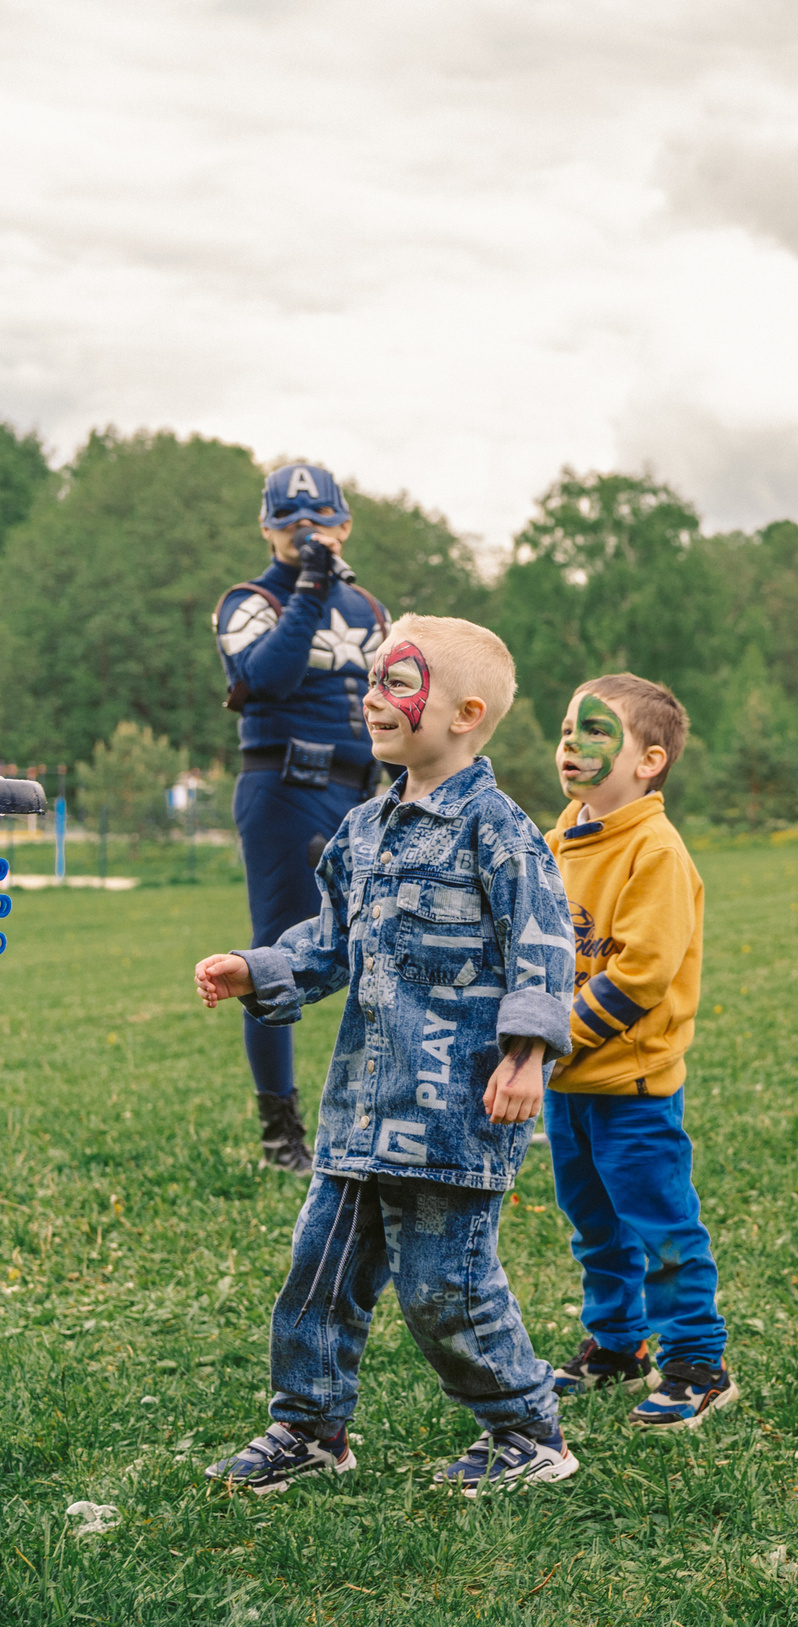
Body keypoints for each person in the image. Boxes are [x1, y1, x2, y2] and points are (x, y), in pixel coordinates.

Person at [192, 615, 580, 1497]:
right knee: (317, 1274)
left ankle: (527, 1430)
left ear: (466, 712)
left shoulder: (501, 832)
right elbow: (329, 942)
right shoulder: (362, 831)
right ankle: (309, 1426)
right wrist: (258, 968)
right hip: (361, 1110)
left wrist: (526, 1056)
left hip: (453, 1112)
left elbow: (544, 947)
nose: (372, 696)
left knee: (446, 1288)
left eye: (398, 681)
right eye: (371, 678)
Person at [542, 673, 738, 1428]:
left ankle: (697, 1358)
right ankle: (619, 1342)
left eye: (595, 731)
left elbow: (642, 972)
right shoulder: (560, 840)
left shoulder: (653, 849)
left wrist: (556, 1032)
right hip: (569, 1087)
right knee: (592, 1220)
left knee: (659, 1225)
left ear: (649, 759)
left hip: (632, 1087)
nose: (571, 744)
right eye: (566, 728)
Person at [212, 461, 389, 1172]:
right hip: (284, 785)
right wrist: (309, 587)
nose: (305, 532)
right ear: (266, 526)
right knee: (277, 950)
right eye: (289, 520)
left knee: (389, 945)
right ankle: (281, 1131)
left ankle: (397, 1110)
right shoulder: (249, 600)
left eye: (319, 520)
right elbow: (264, 679)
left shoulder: (370, 608)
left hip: (363, 789)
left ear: (346, 525)